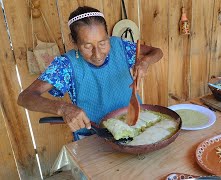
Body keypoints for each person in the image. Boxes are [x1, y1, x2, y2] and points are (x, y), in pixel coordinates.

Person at [17, 6, 163, 140]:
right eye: (87, 46)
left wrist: (145, 62)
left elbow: (157, 52)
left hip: (137, 125)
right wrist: (63, 108)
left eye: (103, 43)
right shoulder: (66, 65)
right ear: (74, 42)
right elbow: (25, 97)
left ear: (107, 36)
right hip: (95, 137)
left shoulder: (121, 46)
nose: (98, 54)